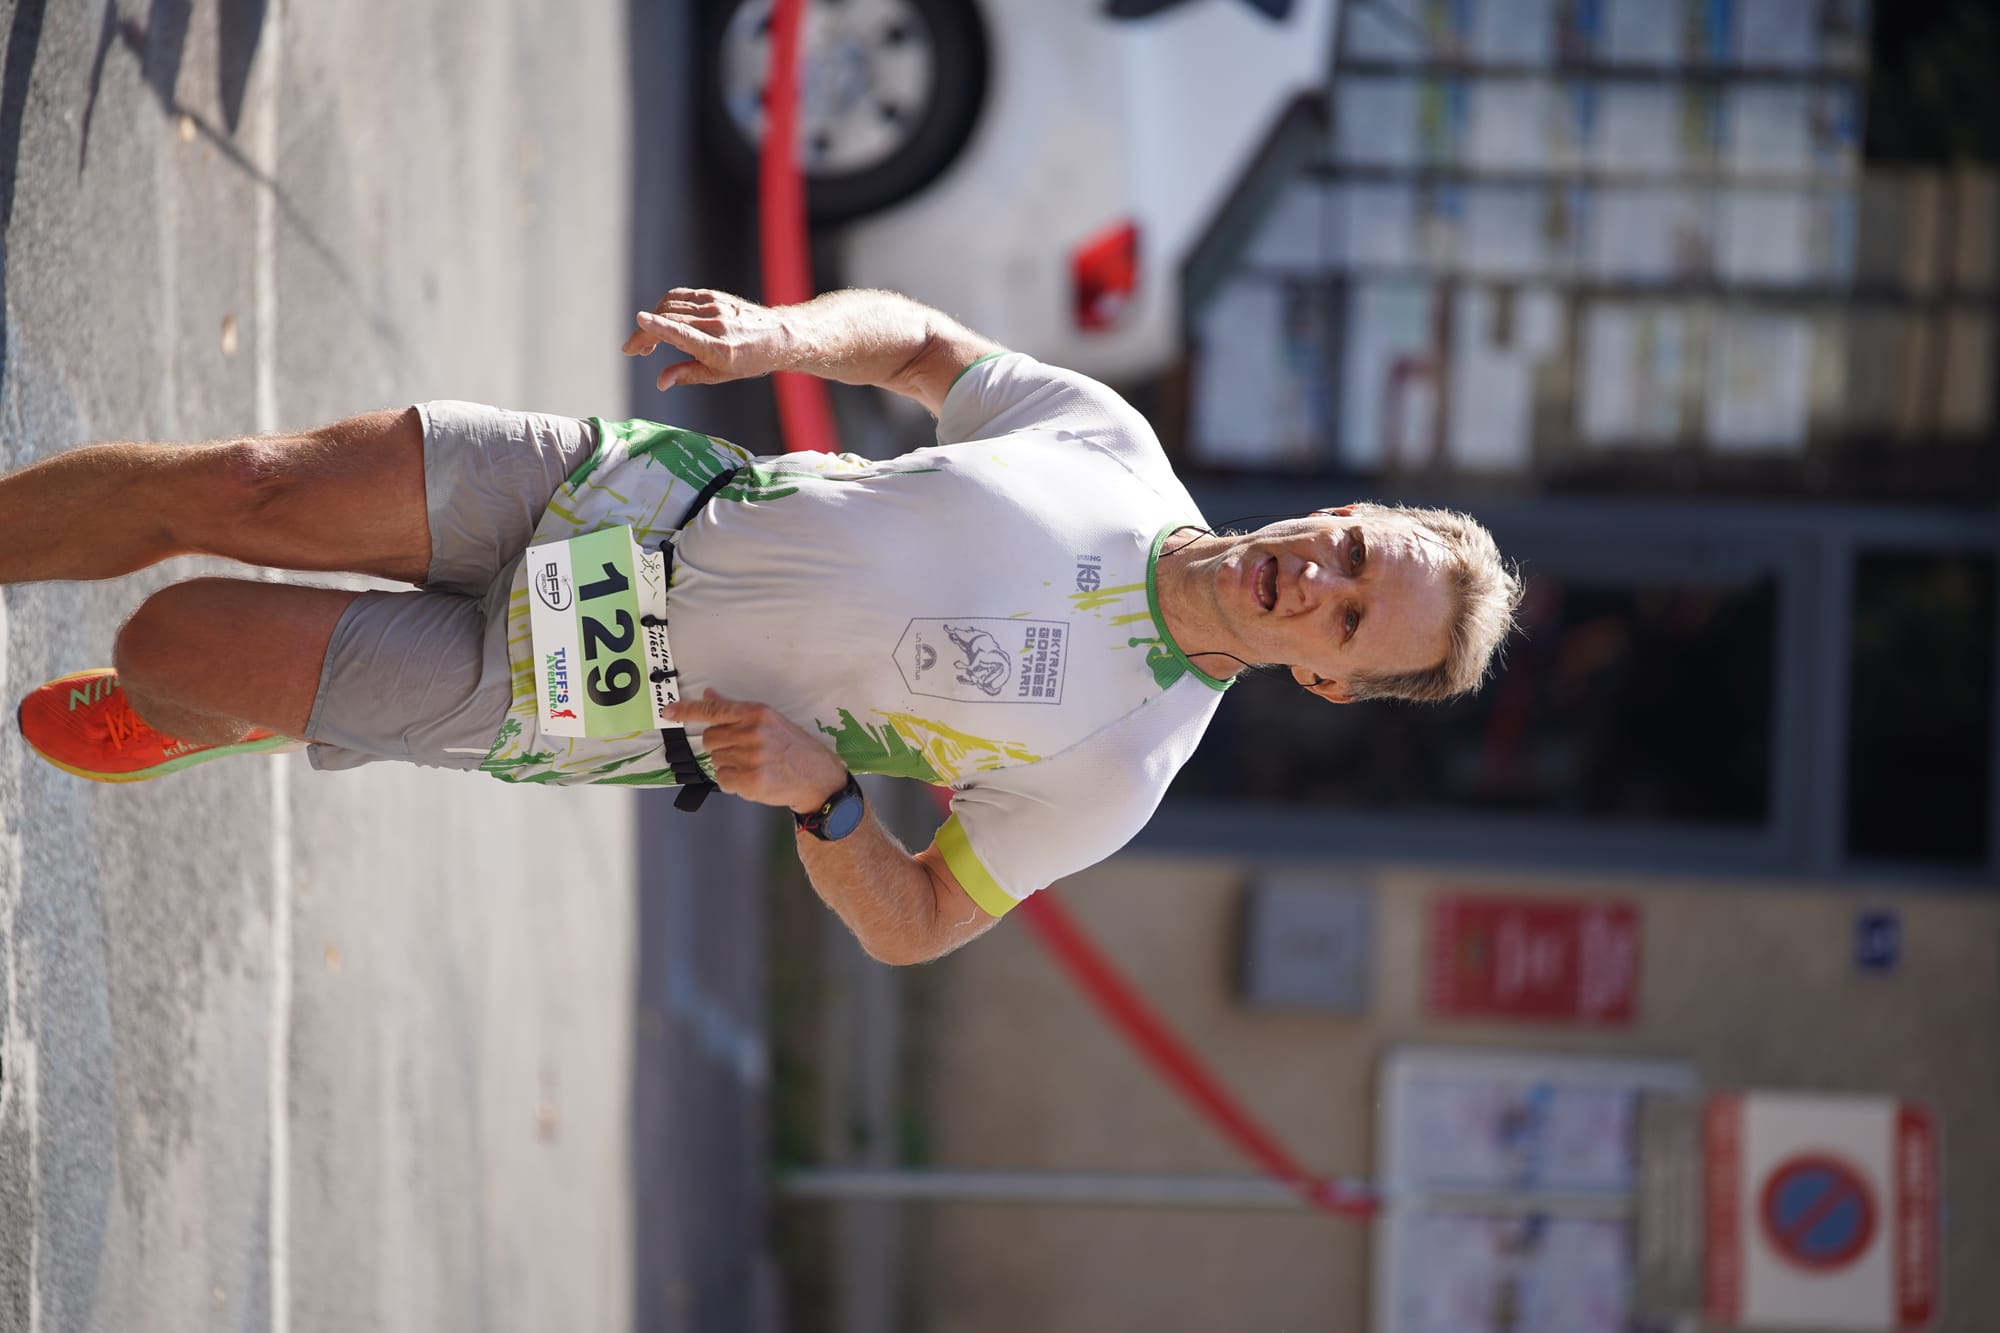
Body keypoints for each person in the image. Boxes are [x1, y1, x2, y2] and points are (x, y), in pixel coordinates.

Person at [5, 287, 1521, 963]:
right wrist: (781, 335)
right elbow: (928, 346)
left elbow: (917, 921)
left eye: (1350, 614)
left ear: (1327, 680)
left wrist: (834, 799)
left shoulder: (1120, 768)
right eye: (1350, 546)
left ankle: (208, 711)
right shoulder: (1112, 443)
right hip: (625, 495)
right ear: (1339, 508)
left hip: (595, 685)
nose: (1316, 576)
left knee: (173, 644)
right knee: (247, 484)